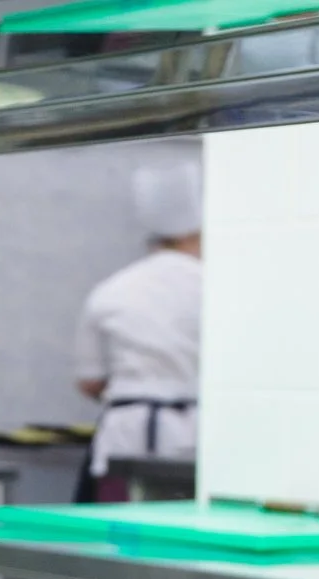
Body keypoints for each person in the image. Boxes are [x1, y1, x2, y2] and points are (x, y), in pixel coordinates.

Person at [71, 157, 202, 502]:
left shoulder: (111, 289)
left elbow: (90, 381)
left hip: (125, 431)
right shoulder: (217, 288)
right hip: (194, 433)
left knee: (115, 539)